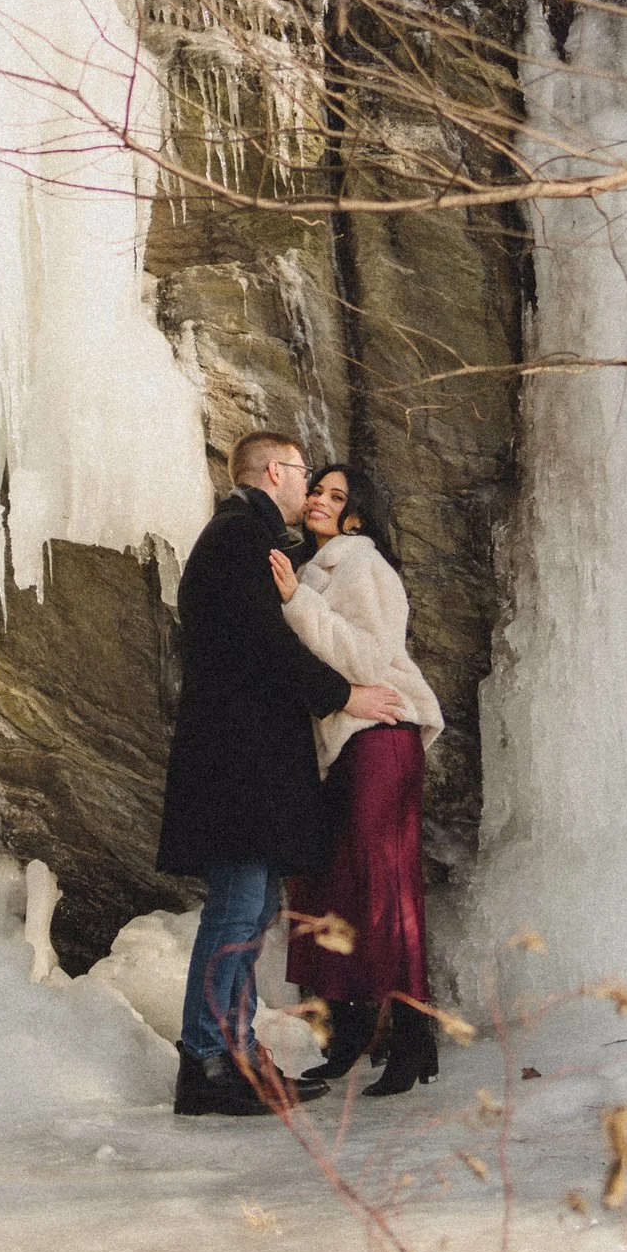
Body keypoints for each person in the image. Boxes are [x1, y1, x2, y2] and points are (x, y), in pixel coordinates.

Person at [157, 431, 407, 1118]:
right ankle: (207, 1060)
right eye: (303, 473)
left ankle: (235, 1056)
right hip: (238, 763)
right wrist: (344, 694)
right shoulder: (241, 536)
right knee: (237, 908)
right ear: (276, 471)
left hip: (249, 761)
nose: (308, 487)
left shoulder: (247, 536)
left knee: (254, 906)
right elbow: (266, 649)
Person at [272, 462, 446, 1097]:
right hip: (345, 746)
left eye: (334, 496)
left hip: (380, 741)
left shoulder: (362, 565)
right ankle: (349, 1036)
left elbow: (371, 658)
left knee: (382, 891)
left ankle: (411, 1038)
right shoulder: (312, 568)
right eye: (315, 489)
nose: (317, 500)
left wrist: (297, 600)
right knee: (333, 889)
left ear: (356, 517)